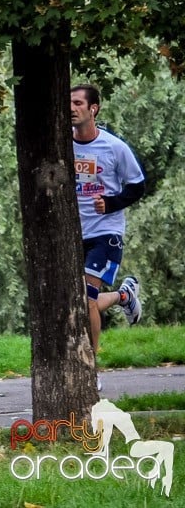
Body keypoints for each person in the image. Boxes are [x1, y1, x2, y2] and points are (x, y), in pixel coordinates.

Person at [71, 84, 144, 391]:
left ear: (93, 108)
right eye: (69, 103)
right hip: (73, 234)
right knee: (78, 302)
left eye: (78, 103)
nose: (72, 108)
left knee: (86, 299)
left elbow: (138, 185)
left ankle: (91, 369)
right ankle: (123, 296)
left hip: (106, 233)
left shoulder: (114, 147)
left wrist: (111, 203)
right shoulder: (62, 145)